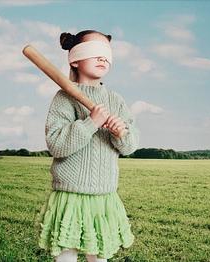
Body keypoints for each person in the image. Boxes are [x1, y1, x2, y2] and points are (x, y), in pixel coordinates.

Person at [35, 29, 140, 262]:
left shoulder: (116, 100)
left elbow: (130, 146)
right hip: (70, 194)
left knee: (99, 256)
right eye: (96, 51)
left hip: (104, 195)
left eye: (107, 53)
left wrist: (120, 132)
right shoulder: (64, 98)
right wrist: (91, 123)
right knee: (66, 256)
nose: (103, 58)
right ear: (74, 58)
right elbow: (56, 144)